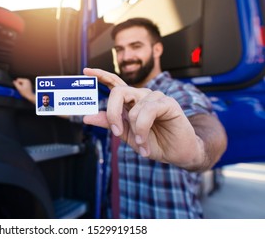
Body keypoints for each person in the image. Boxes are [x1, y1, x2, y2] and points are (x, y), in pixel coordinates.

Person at [13, 17, 227, 219]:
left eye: (135, 46)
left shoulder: (181, 94)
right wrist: (33, 96)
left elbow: (208, 128)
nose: (126, 57)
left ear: (157, 49)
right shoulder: (117, 99)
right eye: (119, 49)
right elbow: (79, 111)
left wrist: (196, 152)